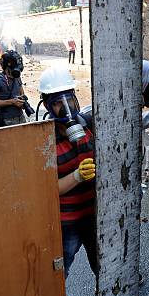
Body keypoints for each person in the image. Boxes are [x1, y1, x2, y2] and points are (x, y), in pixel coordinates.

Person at [37, 66, 98, 277]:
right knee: (57, 271)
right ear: (46, 106)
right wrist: (77, 176)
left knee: (105, 263)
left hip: (97, 214)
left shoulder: (90, 123)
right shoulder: (42, 140)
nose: (66, 107)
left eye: (69, 99)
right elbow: (44, 190)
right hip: (67, 222)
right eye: (57, 103)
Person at [0, 50, 28, 126]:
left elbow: (21, 93)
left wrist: (22, 102)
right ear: (7, 67)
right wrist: (12, 102)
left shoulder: (17, 77)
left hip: (20, 118)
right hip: (5, 120)